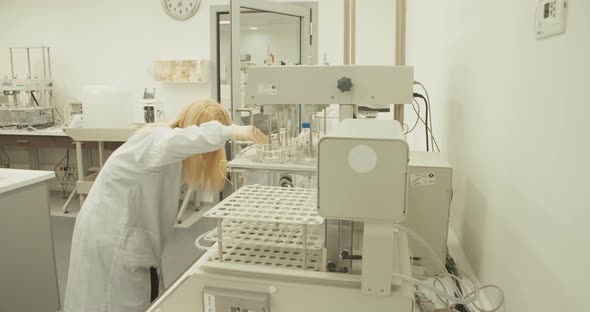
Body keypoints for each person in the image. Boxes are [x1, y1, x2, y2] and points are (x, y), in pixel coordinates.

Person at [63, 99, 267, 312]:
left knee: (141, 298)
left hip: (127, 237)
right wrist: (234, 131)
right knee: (110, 302)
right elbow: (191, 138)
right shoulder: (156, 140)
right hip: (111, 238)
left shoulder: (169, 154)